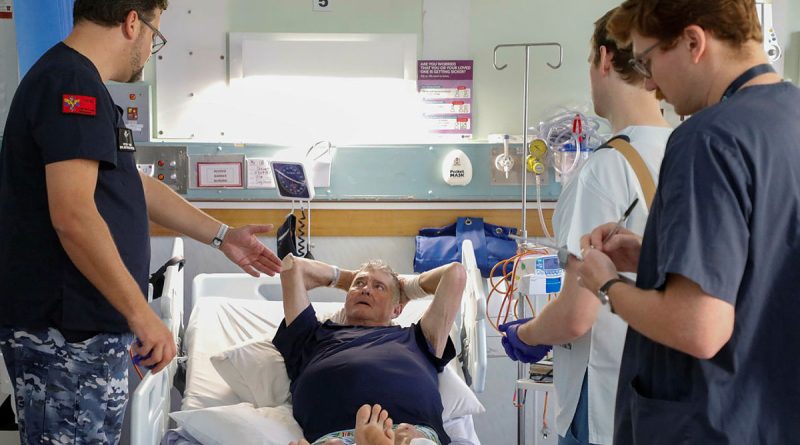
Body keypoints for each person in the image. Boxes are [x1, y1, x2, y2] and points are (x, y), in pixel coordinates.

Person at [0, 1, 282, 444]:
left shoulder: (79, 83)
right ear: (134, 21)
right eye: (156, 32)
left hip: (79, 329)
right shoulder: (70, 86)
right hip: (67, 333)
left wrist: (224, 236)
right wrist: (142, 314)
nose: (152, 47)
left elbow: (132, 186)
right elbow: (72, 215)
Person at [575, 1, 800, 444]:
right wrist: (655, 258)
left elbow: (699, 328)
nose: (652, 84)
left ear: (694, 42)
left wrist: (608, 284)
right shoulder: (788, 119)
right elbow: (764, 268)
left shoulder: (708, 139)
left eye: (648, 60)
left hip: (711, 422)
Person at [497, 8, 671, 445]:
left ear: (605, 60)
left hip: (605, 406)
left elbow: (576, 316)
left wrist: (526, 335)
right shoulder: (689, 150)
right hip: (669, 397)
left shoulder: (605, 169)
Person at [276, 254, 466, 445]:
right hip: (338, 435)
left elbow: (454, 274)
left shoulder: (419, 338)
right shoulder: (312, 336)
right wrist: (346, 279)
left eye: (379, 287)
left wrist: (407, 289)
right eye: (359, 284)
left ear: (397, 310)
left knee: (413, 440)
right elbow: (293, 267)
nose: (365, 290)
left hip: (410, 430)